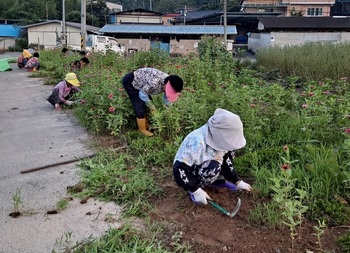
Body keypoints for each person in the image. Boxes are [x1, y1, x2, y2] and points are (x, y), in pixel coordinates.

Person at [173, 108, 252, 205]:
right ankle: (196, 186)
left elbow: (225, 158)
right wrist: (195, 190)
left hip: (206, 162)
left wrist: (236, 181)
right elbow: (179, 168)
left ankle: (217, 180)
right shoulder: (197, 143)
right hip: (190, 171)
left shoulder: (220, 139)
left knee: (229, 152)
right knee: (212, 168)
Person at [122, 67, 184, 137]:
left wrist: (168, 107)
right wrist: (151, 106)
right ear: (166, 85)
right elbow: (142, 94)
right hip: (131, 82)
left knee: (148, 102)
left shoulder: (169, 82)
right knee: (139, 104)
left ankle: (147, 124)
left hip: (143, 85)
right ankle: (142, 130)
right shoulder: (154, 83)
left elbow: (167, 96)